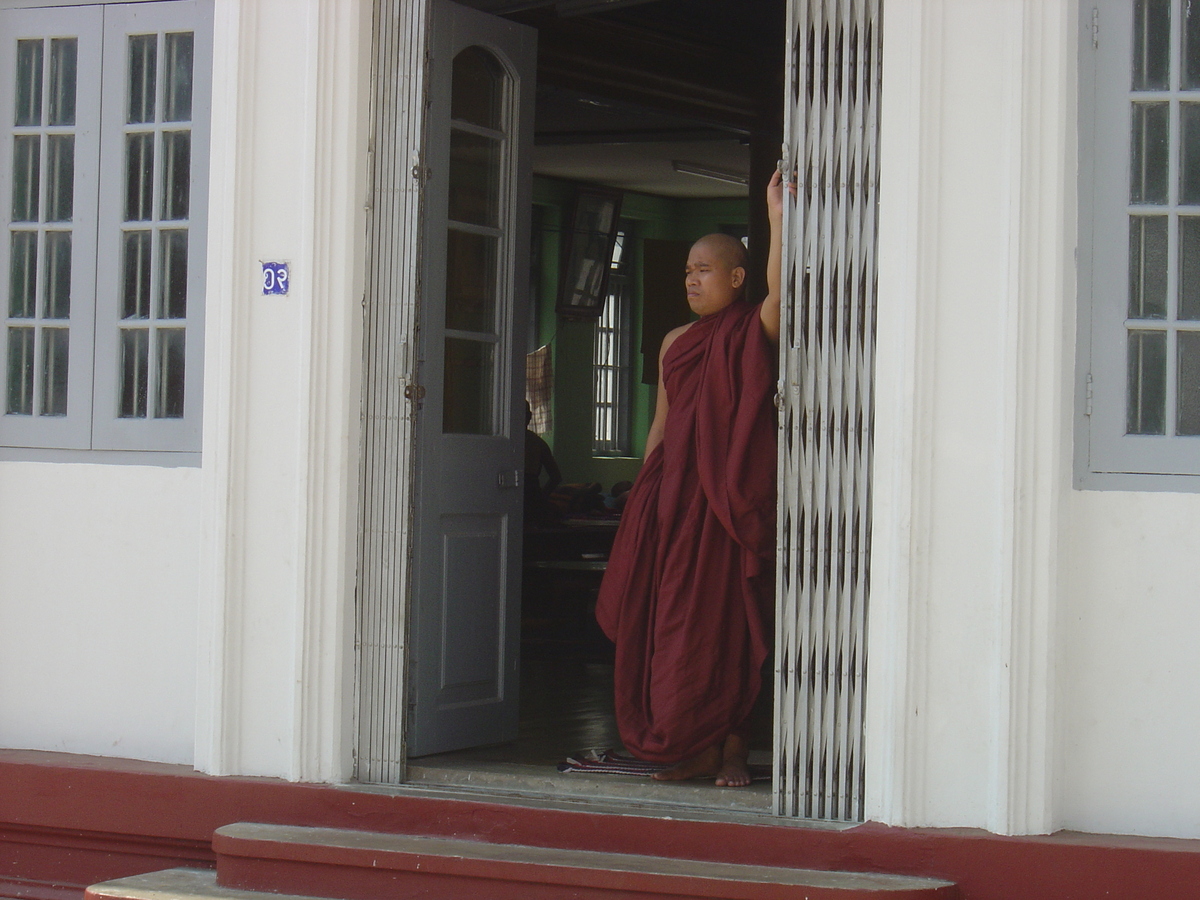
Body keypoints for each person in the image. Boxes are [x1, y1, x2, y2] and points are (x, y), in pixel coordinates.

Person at [595, 171, 788, 787]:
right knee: (667, 624)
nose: (691, 279)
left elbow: (781, 302)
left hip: (724, 503)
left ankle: (729, 748)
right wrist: (640, 501)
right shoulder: (675, 341)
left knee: (725, 628)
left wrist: (777, 221)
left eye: (704, 269)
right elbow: (661, 425)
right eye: (686, 271)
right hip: (671, 503)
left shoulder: (749, 329)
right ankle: (685, 744)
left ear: (736, 278)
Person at [524, 402, 562, 528]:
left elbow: (556, 477)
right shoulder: (538, 443)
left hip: (528, 494)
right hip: (531, 495)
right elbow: (556, 477)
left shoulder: (501, 442)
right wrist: (541, 498)